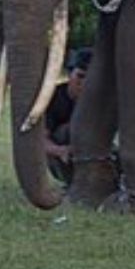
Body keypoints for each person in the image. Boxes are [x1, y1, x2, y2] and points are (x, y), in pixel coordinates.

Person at [41, 48, 94, 182]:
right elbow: (39, 140)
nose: (84, 83)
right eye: (80, 76)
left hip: (99, 151)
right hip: (64, 153)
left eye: (90, 78)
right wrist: (60, 150)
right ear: (70, 75)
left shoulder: (103, 99)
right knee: (67, 131)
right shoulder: (53, 97)